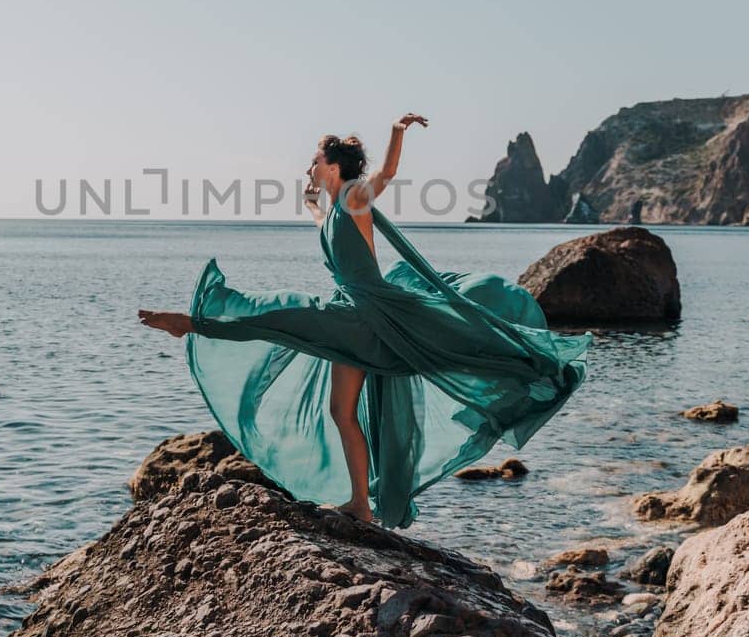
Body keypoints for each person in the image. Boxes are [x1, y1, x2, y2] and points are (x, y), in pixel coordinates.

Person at [138, 114, 591, 528]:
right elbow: (322, 224)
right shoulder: (337, 207)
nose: (309, 165)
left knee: (279, 314)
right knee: (340, 410)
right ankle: (361, 504)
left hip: (363, 312)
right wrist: (310, 203)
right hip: (353, 316)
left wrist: (396, 131)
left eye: (314, 160)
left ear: (334, 165)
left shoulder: (355, 195)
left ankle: (193, 322)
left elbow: (386, 175)